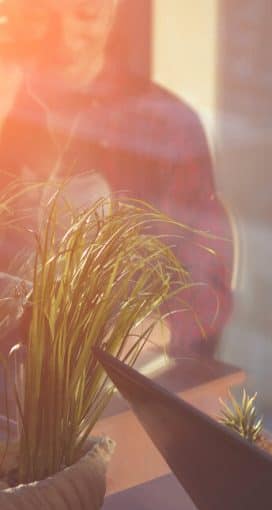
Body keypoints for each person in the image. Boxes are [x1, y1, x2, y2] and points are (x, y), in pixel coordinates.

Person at [0, 0, 234, 358]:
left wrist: (149, 333)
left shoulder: (164, 126)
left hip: (107, 368)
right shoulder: (10, 104)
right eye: (44, 13)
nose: (63, 37)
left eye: (82, 12)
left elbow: (206, 283)